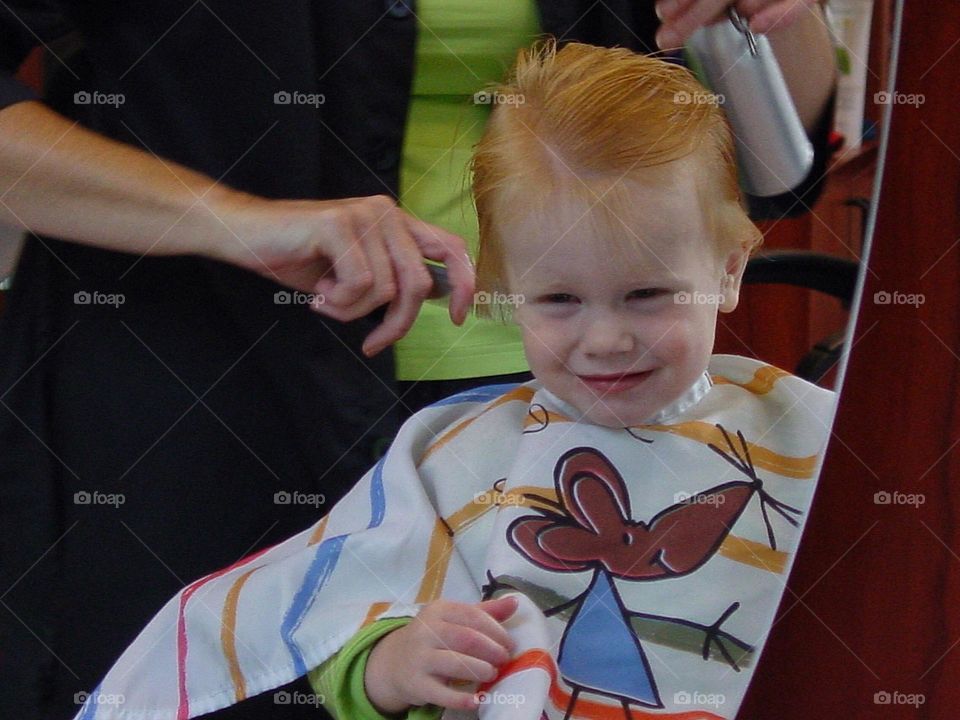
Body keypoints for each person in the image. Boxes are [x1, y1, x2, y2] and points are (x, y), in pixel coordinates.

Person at [0, 3, 835, 719]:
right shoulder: (442, 462)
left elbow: (779, 168)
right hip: (205, 393)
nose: (607, 338)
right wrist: (239, 221)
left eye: (647, 298)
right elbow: (333, 623)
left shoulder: (801, 432)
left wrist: (773, 21)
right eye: (562, 300)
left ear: (732, 270)